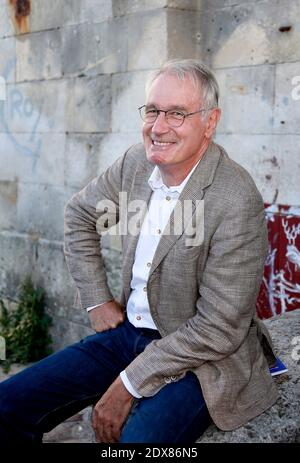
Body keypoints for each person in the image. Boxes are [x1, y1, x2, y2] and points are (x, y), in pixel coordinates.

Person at [0, 59, 279, 444]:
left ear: (210, 122)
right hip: (128, 334)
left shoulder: (235, 198)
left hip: (203, 358)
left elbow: (218, 328)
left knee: (136, 443)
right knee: (7, 404)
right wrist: (97, 300)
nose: (158, 127)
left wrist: (127, 384)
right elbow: (80, 215)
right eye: (152, 111)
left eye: (177, 114)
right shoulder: (135, 163)